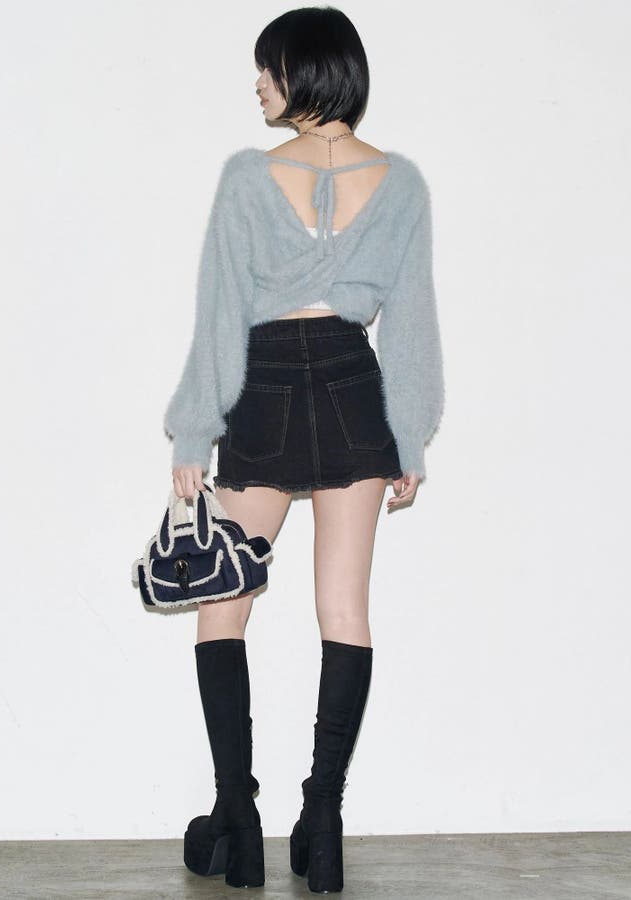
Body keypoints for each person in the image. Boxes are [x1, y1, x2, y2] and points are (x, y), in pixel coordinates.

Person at [164, 7, 445, 892]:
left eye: (269, 67)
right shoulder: (401, 183)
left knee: (222, 602)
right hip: (354, 388)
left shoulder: (249, 177)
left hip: (268, 386)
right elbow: (411, 323)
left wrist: (194, 427)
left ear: (307, 71)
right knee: (345, 609)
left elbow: (220, 311)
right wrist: (408, 434)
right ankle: (322, 818)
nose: (258, 83)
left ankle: (237, 816)